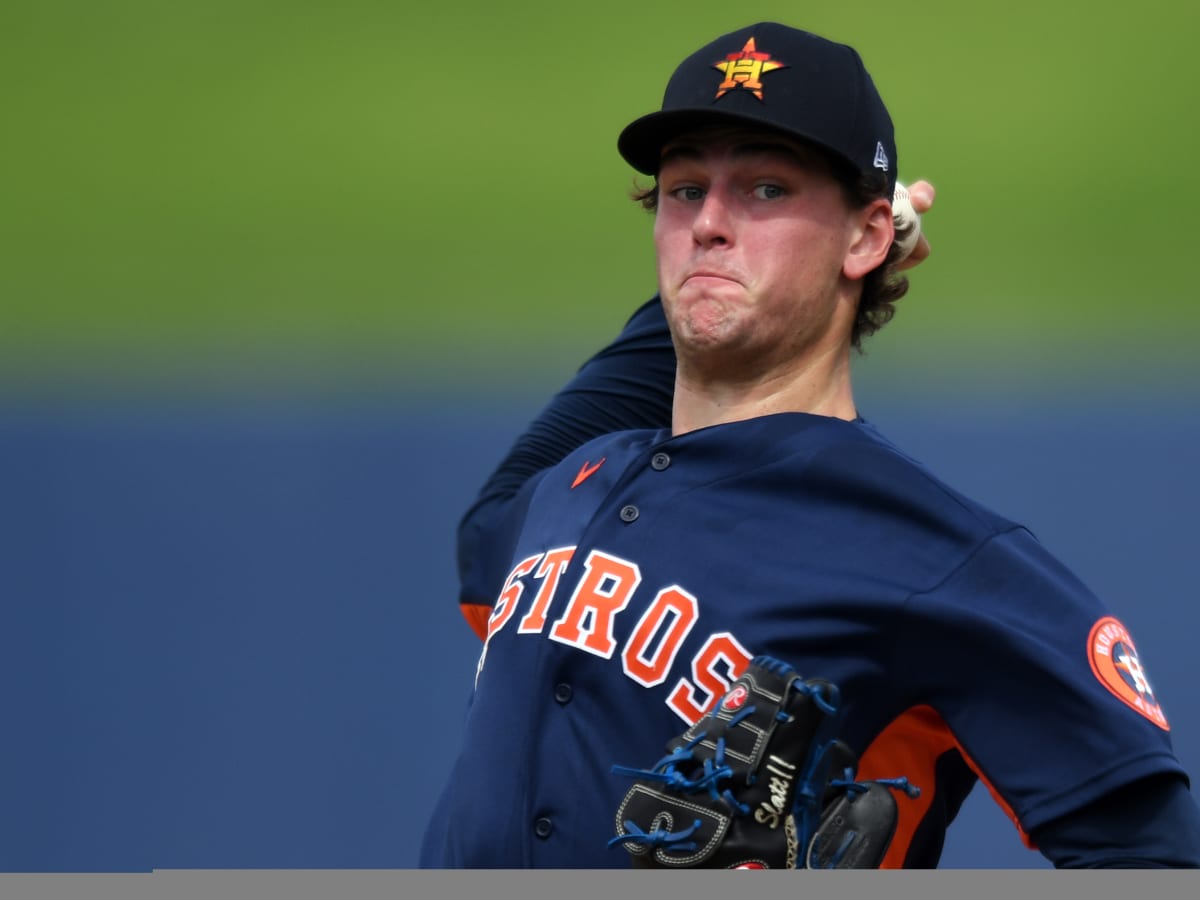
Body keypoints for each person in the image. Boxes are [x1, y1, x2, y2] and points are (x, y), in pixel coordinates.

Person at [419, 22, 1200, 868]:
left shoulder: (934, 552)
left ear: (865, 238)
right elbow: (489, 527)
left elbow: (1156, 862)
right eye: (683, 190)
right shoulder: (566, 488)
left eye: (763, 189)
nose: (709, 222)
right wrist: (752, 280)